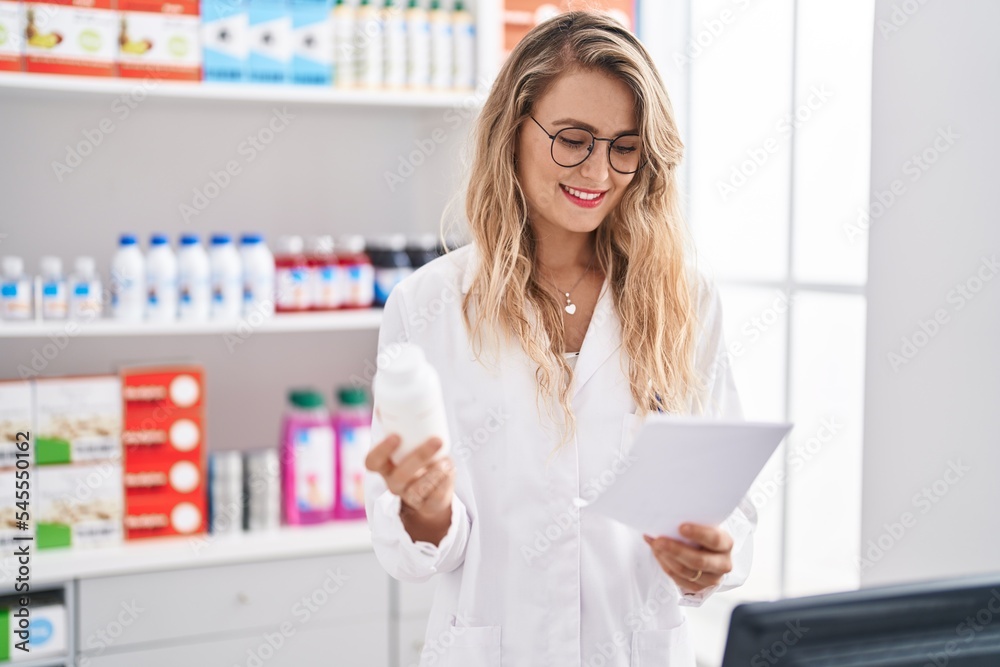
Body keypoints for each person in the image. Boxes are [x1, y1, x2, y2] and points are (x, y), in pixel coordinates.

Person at [364, 11, 755, 666]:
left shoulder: (686, 300)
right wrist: (425, 508)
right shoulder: (429, 304)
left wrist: (712, 552)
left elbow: (729, 508)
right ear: (513, 128)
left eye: (625, 146)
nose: (598, 171)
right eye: (573, 138)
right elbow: (419, 543)